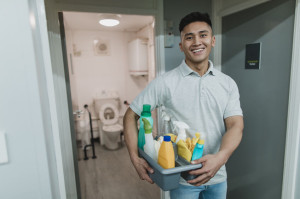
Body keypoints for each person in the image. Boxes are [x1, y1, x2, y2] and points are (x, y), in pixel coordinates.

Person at [123, 12, 244, 199]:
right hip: (180, 179)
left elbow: (236, 125)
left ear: (212, 41)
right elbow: (131, 115)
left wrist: (221, 157)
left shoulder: (227, 83)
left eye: (203, 35)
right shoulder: (165, 83)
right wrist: (134, 158)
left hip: (218, 176)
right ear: (181, 45)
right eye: (189, 37)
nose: (196, 42)